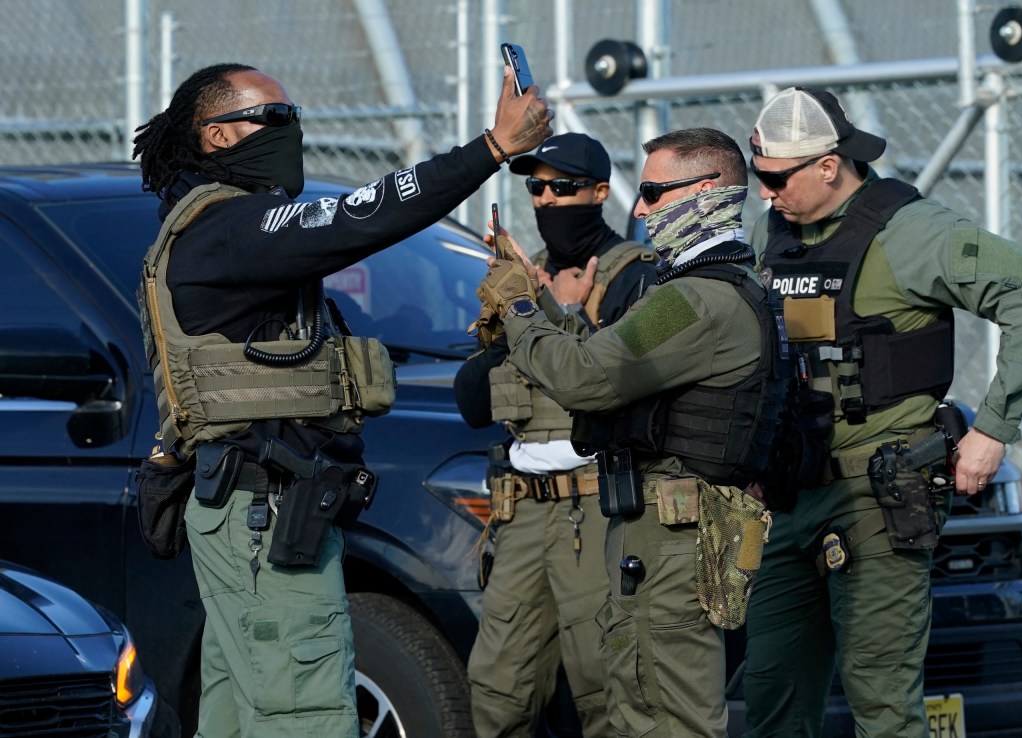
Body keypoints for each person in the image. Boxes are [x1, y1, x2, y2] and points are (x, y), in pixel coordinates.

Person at [131, 62, 550, 737]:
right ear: (215, 135)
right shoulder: (226, 230)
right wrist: (492, 149)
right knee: (307, 714)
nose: (290, 132)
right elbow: (362, 215)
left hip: (253, 511)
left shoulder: (222, 231)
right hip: (263, 516)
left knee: (240, 718)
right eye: (274, 118)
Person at [741, 86, 1022, 737]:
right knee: (771, 691)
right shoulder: (770, 233)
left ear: (828, 165)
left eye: (776, 178)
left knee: (880, 694)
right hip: (785, 493)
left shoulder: (913, 232)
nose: (765, 192)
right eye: (758, 176)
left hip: (878, 493)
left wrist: (994, 429)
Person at [471, 127, 783, 738]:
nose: (639, 210)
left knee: (659, 712)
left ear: (707, 192)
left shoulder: (691, 299)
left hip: (673, 536)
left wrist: (520, 310)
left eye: (653, 193)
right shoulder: (722, 289)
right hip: (668, 528)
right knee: (637, 702)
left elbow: (587, 377)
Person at [453, 132, 658, 736]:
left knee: (606, 687)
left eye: (563, 187)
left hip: (598, 506)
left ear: (600, 192)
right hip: (523, 512)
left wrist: (559, 318)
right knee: (497, 689)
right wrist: (528, 311)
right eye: (536, 187)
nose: (546, 200)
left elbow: (619, 383)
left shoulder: (637, 278)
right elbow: (472, 399)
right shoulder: (529, 288)